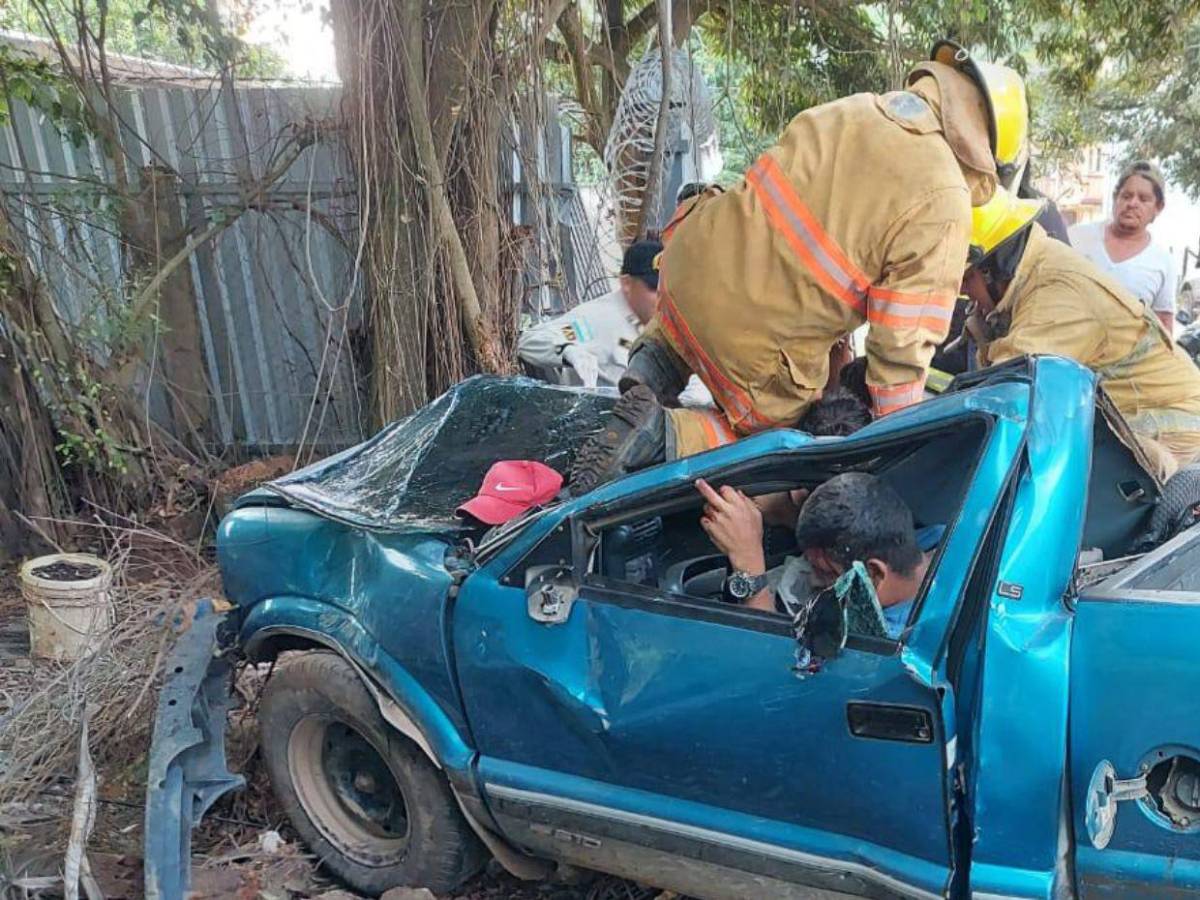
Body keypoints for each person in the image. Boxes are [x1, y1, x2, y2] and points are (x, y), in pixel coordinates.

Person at [570, 42, 1024, 494]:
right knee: (784, 442)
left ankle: (655, 366)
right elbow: (901, 355)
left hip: (685, 266)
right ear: (991, 156)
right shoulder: (943, 199)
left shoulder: (854, 109)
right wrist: (892, 452)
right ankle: (666, 436)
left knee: (692, 324)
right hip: (748, 338)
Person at [964, 186, 1200, 480]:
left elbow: (1006, 392)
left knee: (1062, 481)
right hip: (1126, 412)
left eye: (966, 277)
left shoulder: (1055, 293)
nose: (962, 290)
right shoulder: (1037, 268)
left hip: (1166, 427)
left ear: (991, 269)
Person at [696, 473, 936, 639]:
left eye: (827, 572)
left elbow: (773, 672)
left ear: (874, 573)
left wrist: (750, 568)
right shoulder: (939, 537)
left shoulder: (891, 643)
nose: (813, 581)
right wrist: (780, 511)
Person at [517, 240, 663, 389]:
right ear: (627, 283)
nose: (662, 298)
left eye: (666, 290)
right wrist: (569, 352)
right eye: (653, 288)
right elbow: (530, 341)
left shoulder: (660, 326)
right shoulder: (598, 320)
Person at [1069, 160, 1177, 333]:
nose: (1132, 203)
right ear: (1115, 198)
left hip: (1123, 359)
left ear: (1158, 207)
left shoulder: (1163, 262)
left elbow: (1163, 326)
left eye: (1144, 199)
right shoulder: (1076, 237)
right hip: (1063, 354)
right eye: (1126, 196)